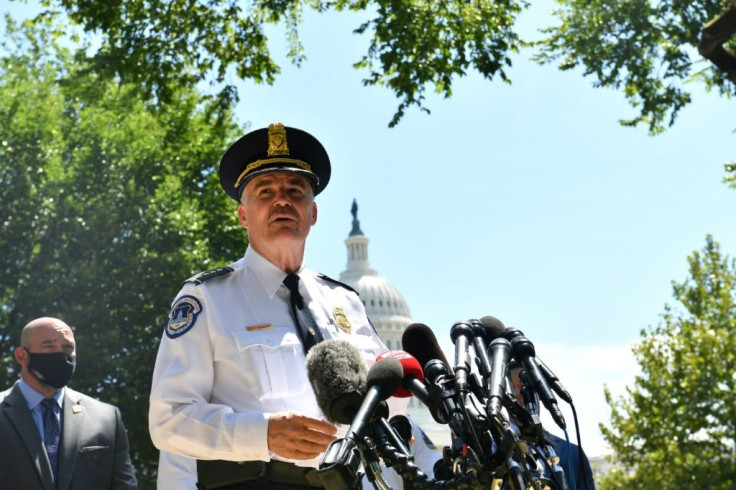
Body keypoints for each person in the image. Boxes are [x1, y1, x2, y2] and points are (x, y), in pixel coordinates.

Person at [149, 123, 423, 489]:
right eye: (265, 191)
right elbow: (169, 420)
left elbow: (388, 397)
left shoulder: (346, 302)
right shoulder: (207, 298)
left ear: (312, 214)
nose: (282, 200)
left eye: (296, 191)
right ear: (243, 216)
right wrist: (263, 435)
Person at [0, 317, 138, 490]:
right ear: (22, 356)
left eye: (68, 348)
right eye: (49, 346)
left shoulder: (107, 418)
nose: (62, 355)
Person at [508, 360, 596, 490]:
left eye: (522, 385)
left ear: (540, 391)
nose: (517, 393)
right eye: (510, 387)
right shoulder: (489, 450)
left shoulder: (573, 454)